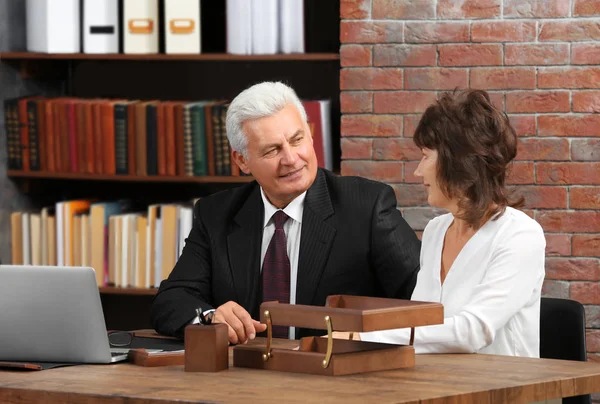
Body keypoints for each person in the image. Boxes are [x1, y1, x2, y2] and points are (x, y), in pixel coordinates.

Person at [150, 81, 421, 344]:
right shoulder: (215, 214)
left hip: (337, 377)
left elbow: (424, 299)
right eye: (272, 150)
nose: (291, 159)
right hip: (243, 378)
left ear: (310, 134)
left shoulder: (366, 206)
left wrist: (363, 338)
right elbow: (172, 299)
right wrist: (211, 318)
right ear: (242, 160)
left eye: (297, 140)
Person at [359, 89, 546, 357]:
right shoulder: (436, 231)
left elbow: (473, 331)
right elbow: (419, 321)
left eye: (425, 156)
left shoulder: (520, 236)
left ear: (456, 161)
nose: (418, 170)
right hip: (439, 386)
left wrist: (367, 337)